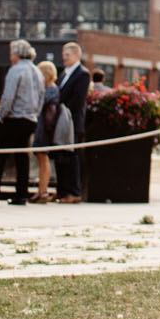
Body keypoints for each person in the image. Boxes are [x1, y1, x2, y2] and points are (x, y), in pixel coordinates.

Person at [0, 40, 42, 205]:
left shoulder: (16, 70)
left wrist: (1, 115)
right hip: (30, 118)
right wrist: (35, 113)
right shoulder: (37, 71)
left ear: (17, 54)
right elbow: (42, 96)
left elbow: (8, 97)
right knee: (22, 158)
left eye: (12, 52)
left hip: (13, 118)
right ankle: (21, 194)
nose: (10, 55)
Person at [54, 43, 89, 203]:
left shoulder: (82, 74)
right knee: (60, 156)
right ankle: (62, 190)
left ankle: (74, 192)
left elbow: (78, 99)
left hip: (72, 121)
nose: (64, 58)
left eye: (67, 55)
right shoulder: (63, 74)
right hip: (61, 121)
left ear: (76, 55)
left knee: (72, 156)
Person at [33, 60, 64, 203]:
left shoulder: (50, 89)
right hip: (43, 127)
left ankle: (43, 191)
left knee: (43, 158)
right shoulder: (51, 89)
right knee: (41, 159)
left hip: (44, 128)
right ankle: (41, 190)